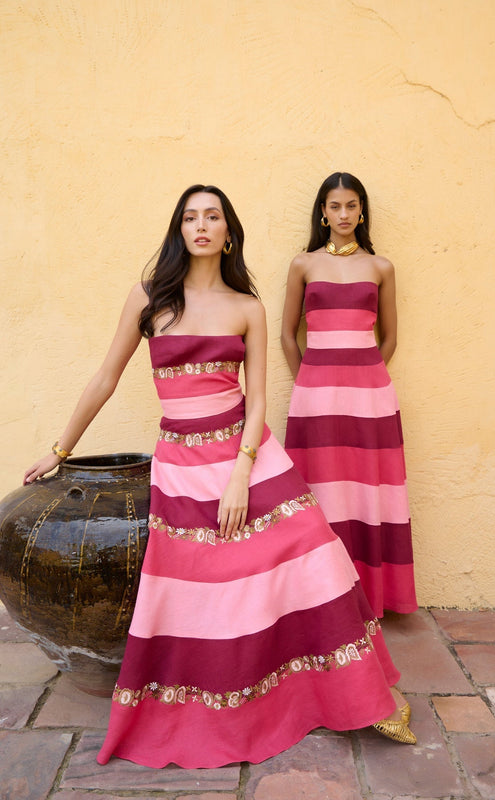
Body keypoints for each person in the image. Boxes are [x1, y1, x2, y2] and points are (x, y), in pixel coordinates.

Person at [24, 183, 416, 769]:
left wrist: (242, 473)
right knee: (201, 582)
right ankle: (228, 703)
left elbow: (256, 402)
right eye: (190, 217)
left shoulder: (246, 307)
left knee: (314, 547)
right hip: (181, 460)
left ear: (228, 231)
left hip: (244, 452)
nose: (201, 225)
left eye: (212, 216)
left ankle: (353, 691)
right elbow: (105, 377)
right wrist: (60, 448)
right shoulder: (148, 299)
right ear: (178, 229)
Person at [281, 172, 418, 619]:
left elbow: (391, 337)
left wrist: (366, 379)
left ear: (362, 211)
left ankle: (372, 596)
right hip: (314, 394)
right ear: (323, 211)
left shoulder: (381, 268)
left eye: (352, 206)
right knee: (318, 490)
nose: (344, 214)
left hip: (369, 397)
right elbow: (287, 334)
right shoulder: (304, 264)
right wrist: (309, 381)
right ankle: (320, 596)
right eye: (335, 206)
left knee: (367, 493)